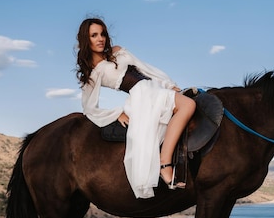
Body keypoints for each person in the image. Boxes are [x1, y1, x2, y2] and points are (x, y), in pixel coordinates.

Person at [76, 18, 196, 199]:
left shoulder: (117, 51)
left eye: (102, 34)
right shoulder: (93, 72)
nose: (100, 39)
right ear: (86, 40)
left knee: (189, 106)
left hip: (154, 89)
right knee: (189, 105)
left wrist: (167, 84)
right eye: (94, 35)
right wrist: (117, 114)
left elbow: (145, 68)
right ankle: (165, 163)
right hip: (141, 97)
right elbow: (89, 108)